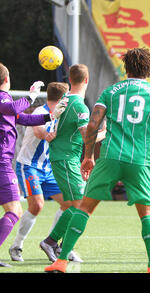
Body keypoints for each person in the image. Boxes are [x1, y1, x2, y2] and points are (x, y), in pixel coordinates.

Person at [44, 47, 150, 274]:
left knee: (85, 208)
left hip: (110, 157)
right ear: (149, 69)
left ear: (126, 68)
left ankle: (61, 261)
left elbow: (92, 125)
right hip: (139, 160)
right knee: (147, 212)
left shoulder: (110, 92)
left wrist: (89, 155)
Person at [0, 63, 65, 267]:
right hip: (3, 161)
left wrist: (50, 116)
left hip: (6, 161)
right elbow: (13, 109)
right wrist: (31, 95)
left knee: (15, 209)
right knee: (15, 210)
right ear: (7, 80)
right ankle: (16, 246)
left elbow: (23, 118)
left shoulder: (5, 101)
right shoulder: (3, 98)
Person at [39, 64, 105, 263]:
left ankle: (60, 246)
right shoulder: (78, 105)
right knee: (81, 203)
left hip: (64, 157)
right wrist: (106, 132)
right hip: (66, 158)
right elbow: (87, 137)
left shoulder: (64, 99)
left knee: (72, 203)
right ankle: (52, 242)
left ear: (70, 79)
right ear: (87, 80)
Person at [9, 82, 73, 262]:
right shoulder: (40, 112)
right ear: (62, 99)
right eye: (66, 97)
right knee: (37, 205)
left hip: (48, 169)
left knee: (70, 203)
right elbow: (38, 131)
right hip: (29, 166)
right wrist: (47, 135)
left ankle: (53, 243)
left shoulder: (62, 114)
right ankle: (17, 246)